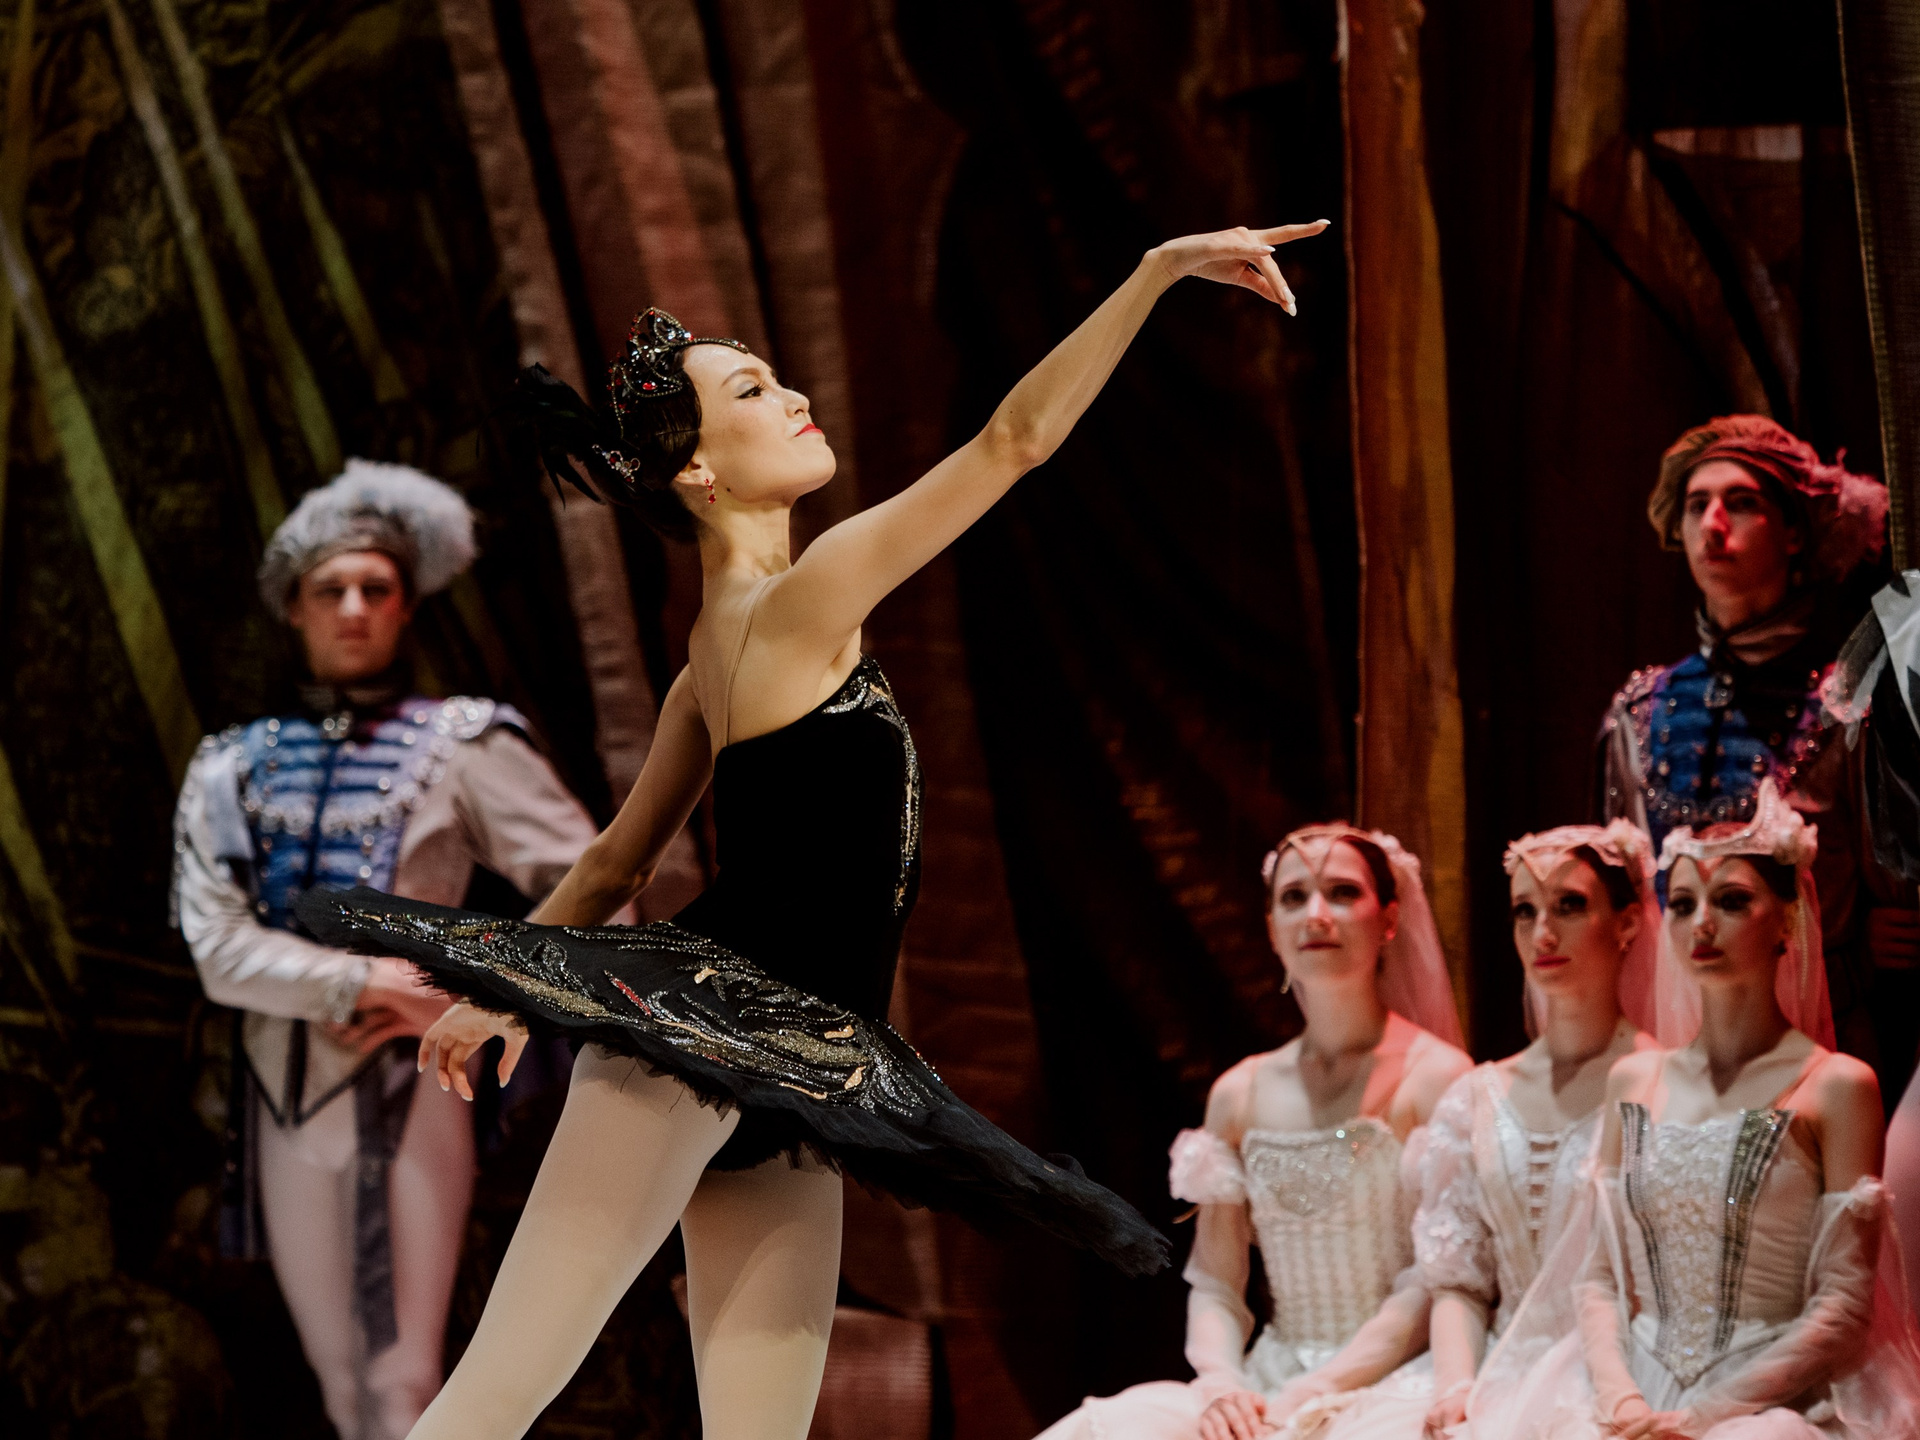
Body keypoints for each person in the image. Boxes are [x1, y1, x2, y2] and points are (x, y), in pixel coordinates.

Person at [296, 222, 1329, 1438]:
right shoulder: (799, 602)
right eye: (751, 390)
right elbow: (1015, 440)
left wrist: (503, 990)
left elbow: (618, 860)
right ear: (699, 473)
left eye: (778, 377)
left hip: (798, 1064)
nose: (790, 397)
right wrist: (1154, 270)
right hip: (701, 1032)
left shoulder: (711, 659)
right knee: (494, 1398)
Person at [172, 461, 617, 1440]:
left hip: (421, 1079)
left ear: (407, 604)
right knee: (342, 1384)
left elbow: (600, 889)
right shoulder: (230, 765)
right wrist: (367, 978)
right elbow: (216, 946)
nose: (354, 608)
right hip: (283, 1088)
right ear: (294, 606)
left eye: (376, 588)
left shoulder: (462, 744)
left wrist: (488, 991)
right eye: (331, 589)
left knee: (406, 1379)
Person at [1467, 779, 1920, 1439]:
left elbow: (1844, 1306)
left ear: (1788, 917)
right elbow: (1597, 1279)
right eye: (1682, 904)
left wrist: (1706, 1416)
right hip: (1635, 1386)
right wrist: (1622, 1400)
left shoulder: (1837, 1086)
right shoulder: (1634, 1079)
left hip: (1768, 1404)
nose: (1702, 923)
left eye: (1731, 901)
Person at [1032, 824, 1471, 1440]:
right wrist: (1222, 1385)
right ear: (1270, 928)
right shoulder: (1239, 1093)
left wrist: (1315, 1391)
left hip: (1394, 1382)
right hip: (1267, 1377)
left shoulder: (1437, 1077)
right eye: (1294, 897)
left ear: (1390, 918)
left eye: (1342, 892)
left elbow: (1433, 1281)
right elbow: (1216, 1282)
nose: (1316, 915)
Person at [1595, 415, 1898, 1068]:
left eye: (1740, 502)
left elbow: (1897, 902)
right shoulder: (1639, 711)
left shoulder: (1851, 703)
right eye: (1696, 504)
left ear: (1794, 532)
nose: (1712, 524)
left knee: (1795, 1131)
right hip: (1672, 1038)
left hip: (1817, 1036)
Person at [1358, 821, 1657, 1440]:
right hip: (1497, 1370)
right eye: (1526, 911)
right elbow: (1459, 1282)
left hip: (1627, 1375)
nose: (1543, 933)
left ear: (1628, 922)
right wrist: (1457, 1386)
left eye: (1569, 906)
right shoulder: (1477, 1097)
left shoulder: (1663, 1086)